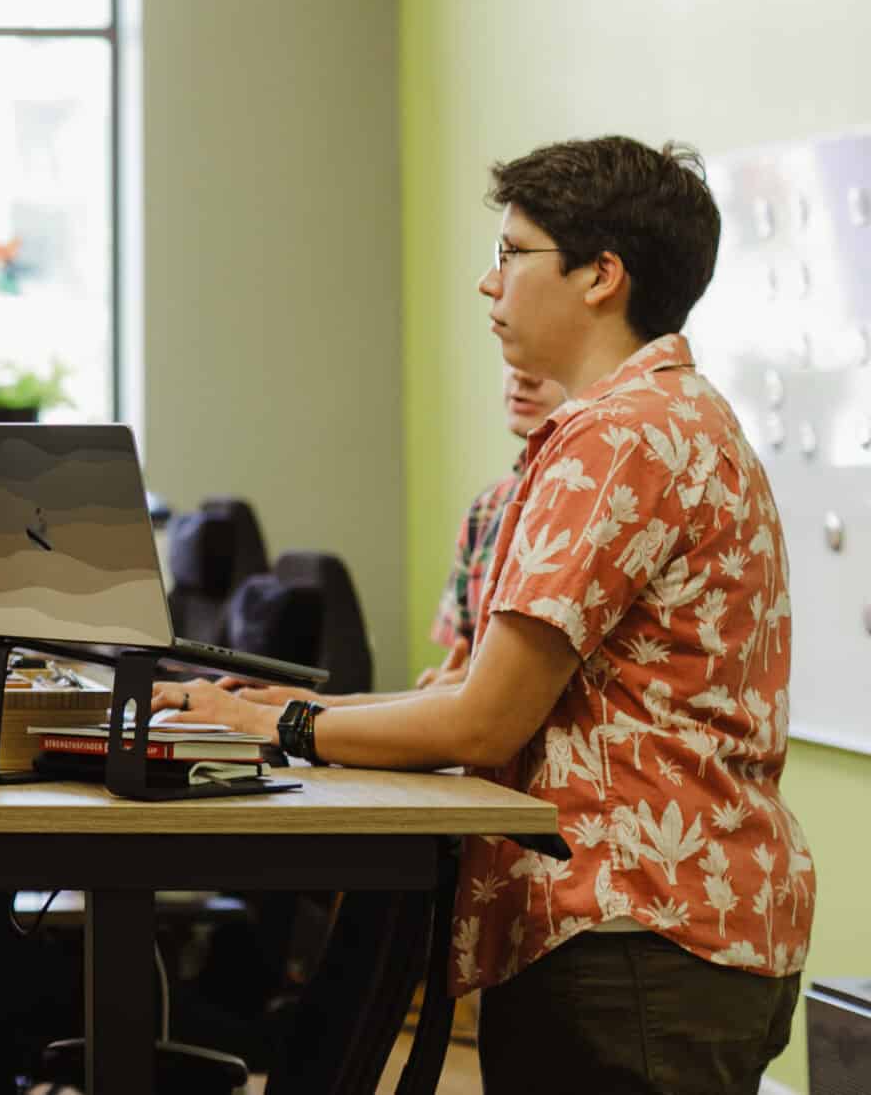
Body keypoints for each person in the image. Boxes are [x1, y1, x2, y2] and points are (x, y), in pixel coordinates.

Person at [171, 136, 811, 1094]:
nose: (488, 280)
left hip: (631, 930)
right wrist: (284, 711)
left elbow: (483, 720)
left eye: (512, 253)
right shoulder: (678, 416)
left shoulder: (617, 437)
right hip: (686, 923)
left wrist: (287, 725)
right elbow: (497, 689)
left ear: (601, 275)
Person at [420, 367, 567, 688]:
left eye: (545, 356)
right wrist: (445, 686)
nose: (523, 374)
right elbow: (463, 658)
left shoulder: (593, 501)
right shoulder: (486, 509)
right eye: (510, 352)